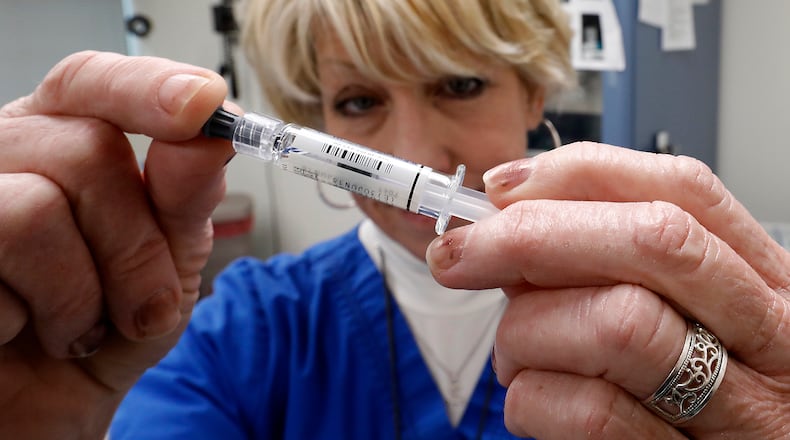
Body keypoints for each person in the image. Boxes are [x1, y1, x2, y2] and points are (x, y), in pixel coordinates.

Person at [1, 0, 789, 439]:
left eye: (460, 85)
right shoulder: (248, 330)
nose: (412, 157)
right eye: (359, 102)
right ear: (315, 126)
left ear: (535, 93)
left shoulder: (673, 317)